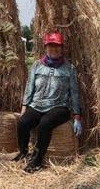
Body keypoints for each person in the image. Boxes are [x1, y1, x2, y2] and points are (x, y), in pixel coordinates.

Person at [14, 31, 82, 173]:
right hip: (37, 104)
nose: (54, 49)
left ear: (61, 48)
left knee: (45, 124)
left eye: (57, 46)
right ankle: (23, 152)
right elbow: (29, 87)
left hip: (59, 107)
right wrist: (24, 107)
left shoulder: (69, 68)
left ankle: (37, 160)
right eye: (50, 46)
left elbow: (74, 93)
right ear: (45, 47)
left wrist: (77, 117)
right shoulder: (37, 65)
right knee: (23, 123)